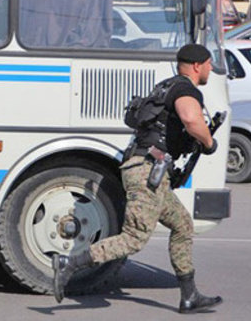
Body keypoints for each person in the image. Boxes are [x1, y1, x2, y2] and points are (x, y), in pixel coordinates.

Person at [52, 44, 223, 314]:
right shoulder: (185, 89)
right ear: (197, 66)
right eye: (210, 64)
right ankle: (70, 263)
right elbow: (191, 119)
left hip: (148, 169)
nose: (212, 69)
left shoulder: (165, 86)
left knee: (182, 225)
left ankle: (189, 295)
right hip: (147, 171)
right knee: (135, 237)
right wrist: (209, 142)